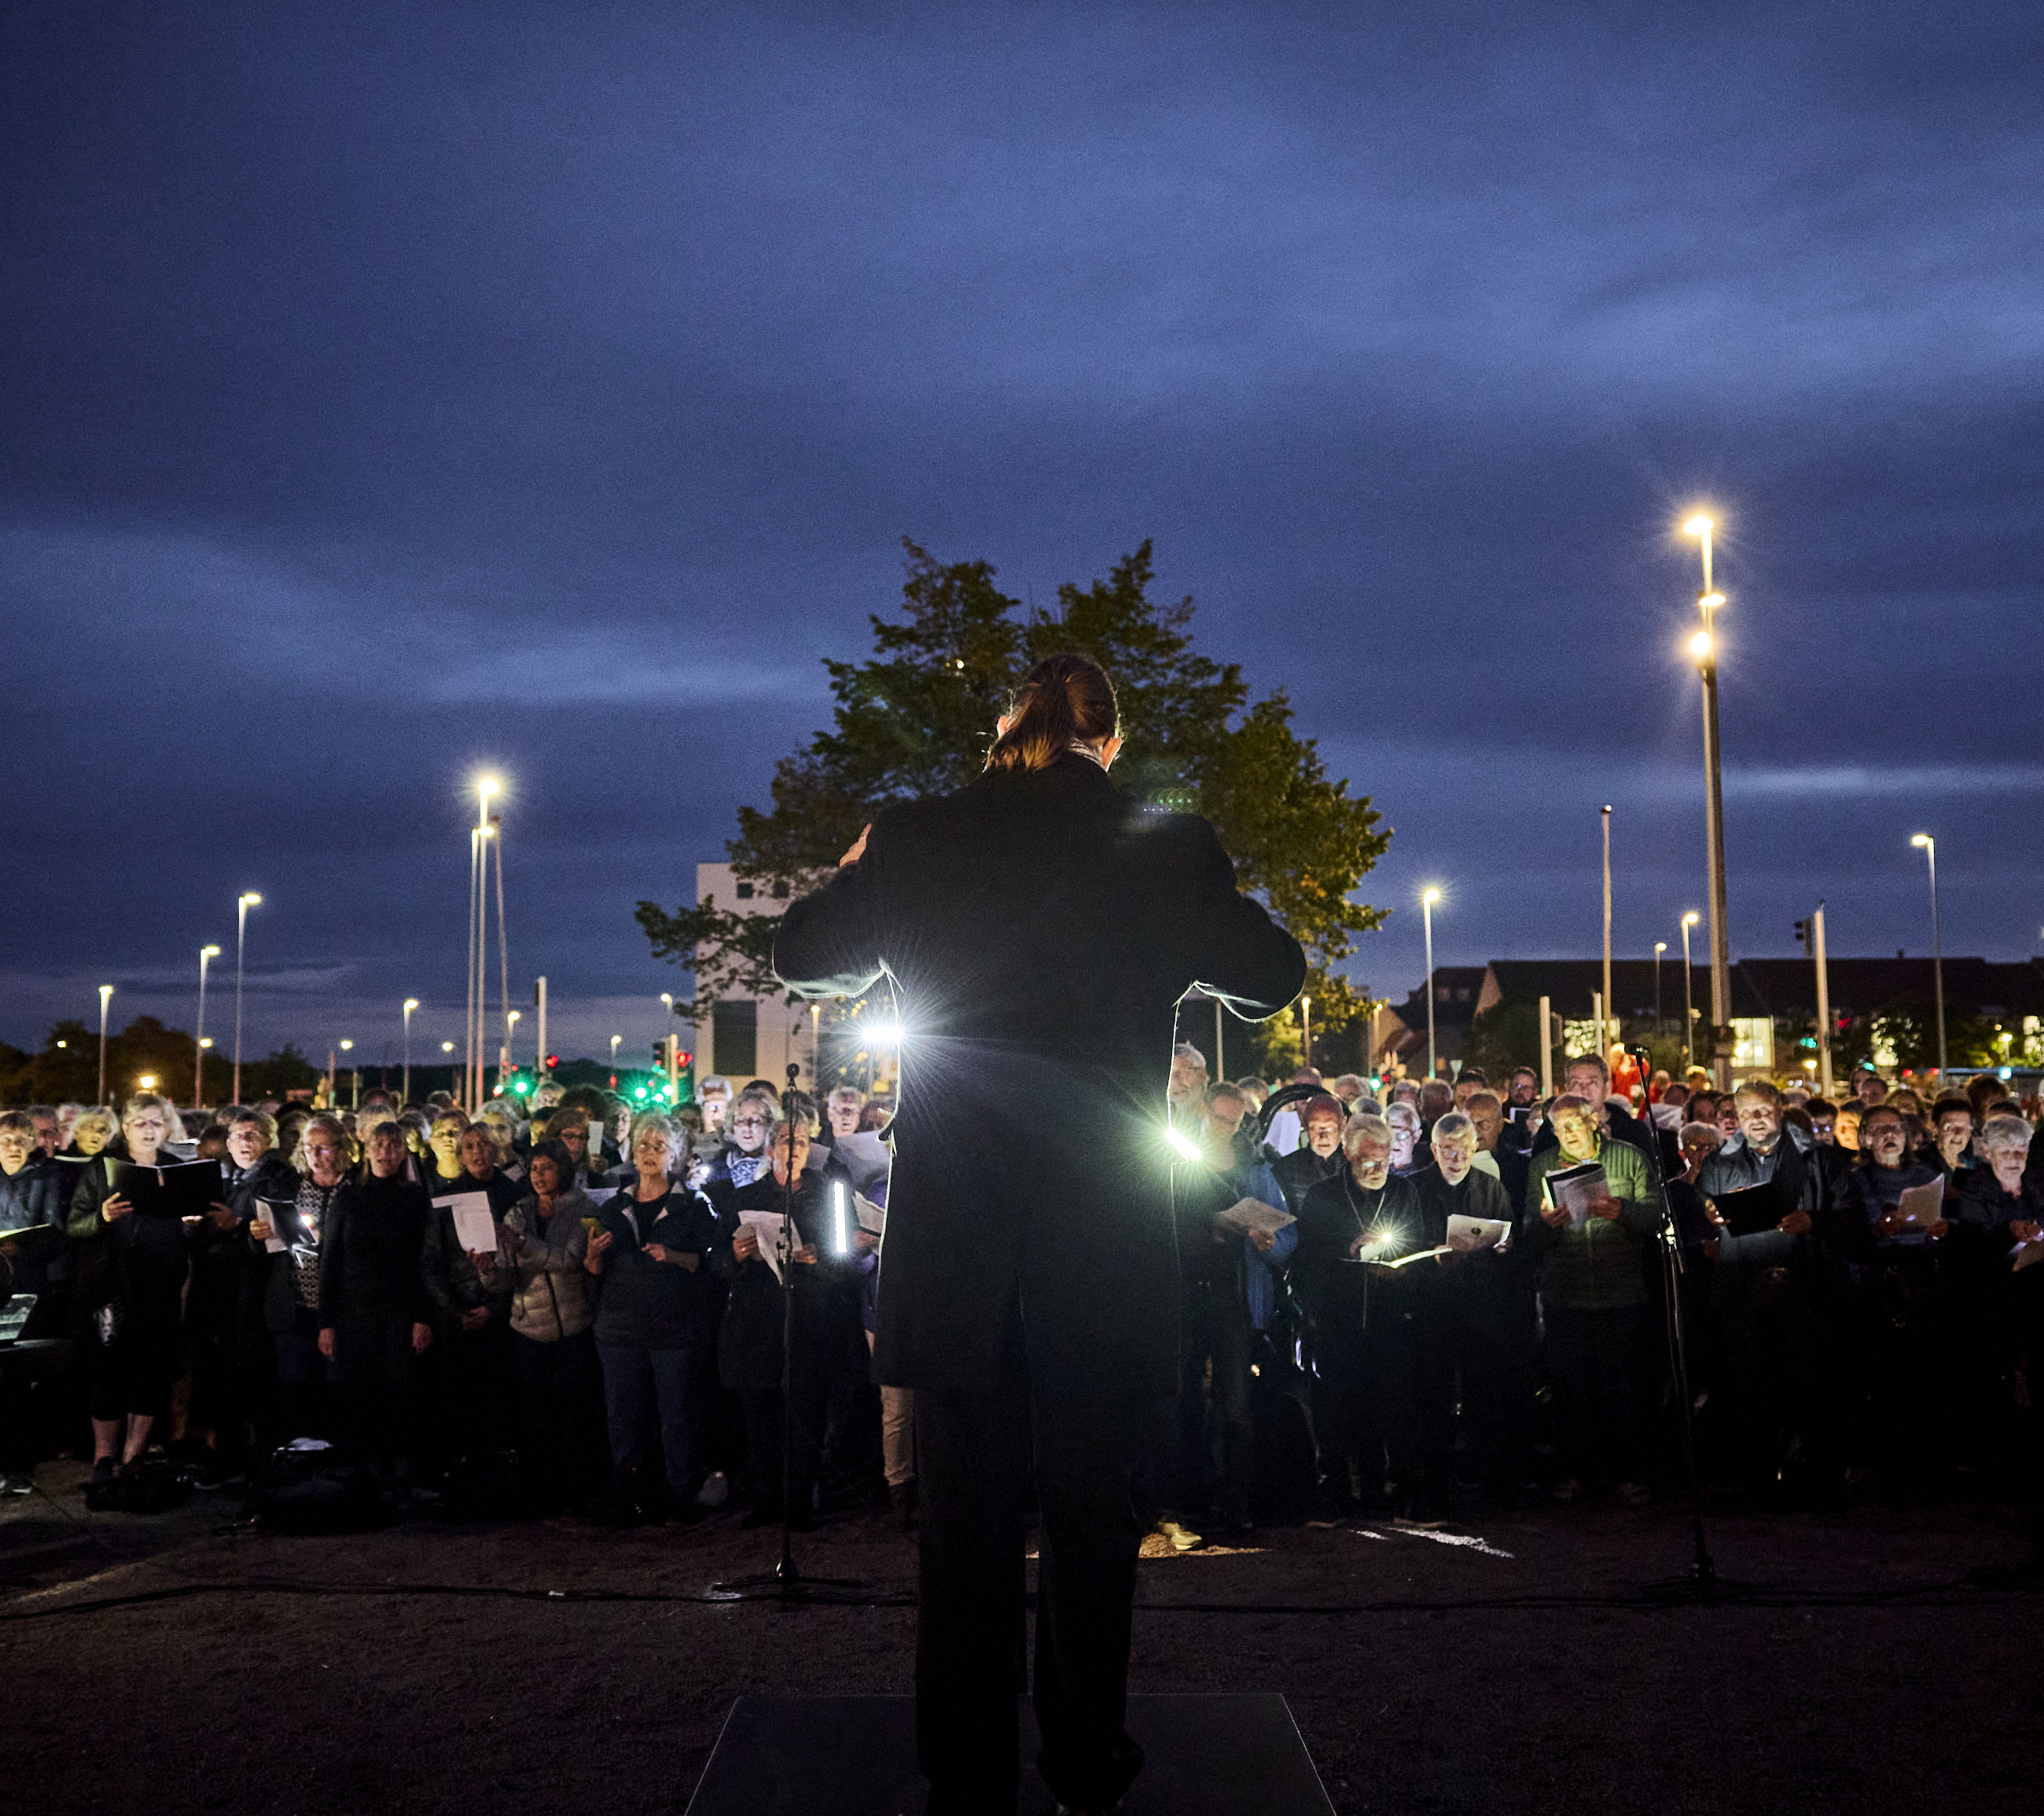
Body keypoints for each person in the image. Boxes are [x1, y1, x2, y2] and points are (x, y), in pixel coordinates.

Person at [773, 650, 1304, 1816]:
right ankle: (1083, 1765)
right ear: (1106, 745)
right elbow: (1273, 975)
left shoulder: (916, 835)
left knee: (961, 1527)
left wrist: (859, 861)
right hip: (1098, 1238)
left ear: (1006, 732)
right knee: (1091, 1518)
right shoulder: (1165, 845)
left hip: (960, 1237)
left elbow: (799, 955)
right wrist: (1203, 900)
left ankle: (967, 1775)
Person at [711, 1116, 869, 1530]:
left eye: (801, 1140)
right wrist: (737, 1254)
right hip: (758, 1323)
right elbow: (716, 1263)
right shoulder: (747, 1197)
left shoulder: (829, 1196)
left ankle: (799, 1503)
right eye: (784, 1139)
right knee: (761, 1417)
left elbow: (850, 1259)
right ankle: (767, 1500)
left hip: (811, 1319)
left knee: (805, 1415)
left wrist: (821, 1256)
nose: (793, 1146)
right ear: (770, 1150)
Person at [586, 1114, 726, 1522]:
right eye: (642, 1145)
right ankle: (629, 1491)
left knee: (677, 1416)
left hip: (674, 1330)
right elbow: (596, 1271)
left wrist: (676, 1257)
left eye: (658, 1146)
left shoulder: (693, 1205)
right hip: (619, 1329)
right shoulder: (615, 1206)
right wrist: (593, 1256)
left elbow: (713, 1265)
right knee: (623, 1417)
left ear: (676, 1154)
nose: (648, 1153)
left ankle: (681, 1493)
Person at [1524, 1094, 1659, 1502]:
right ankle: (1575, 1473)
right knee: (1570, 1390)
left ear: (1593, 1121)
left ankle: (1624, 1474)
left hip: (1620, 1291)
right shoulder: (1543, 1165)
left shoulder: (1630, 1158)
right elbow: (1529, 1229)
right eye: (1558, 1128)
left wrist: (1624, 1212)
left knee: (1620, 1388)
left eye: (1573, 1125)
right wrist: (1546, 1224)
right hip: (1566, 1293)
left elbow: (1656, 1216)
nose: (1566, 1134)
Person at [1294, 1114, 1424, 1513]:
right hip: (1339, 1321)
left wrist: (1400, 1266)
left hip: (1389, 1321)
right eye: (1367, 1161)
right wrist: (1349, 1251)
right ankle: (1334, 1491)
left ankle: (1377, 1490)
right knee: (1336, 1411)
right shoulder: (1322, 1196)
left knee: (1387, 1409)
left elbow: (1418, 1245)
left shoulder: (1404, 1192)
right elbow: (1308, 1257)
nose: (1376, 1169)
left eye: (1383, 1161)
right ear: (1348, 1154)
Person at [65, 1093, 191, 1483]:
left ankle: (134, 1455)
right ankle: (104, 1456)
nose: (149, 1130)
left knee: (152, 1371)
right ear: (127, 1128)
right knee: (108, 1372)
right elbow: (74, 1224)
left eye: (156, 1122)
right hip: (111, 1285)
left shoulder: (175, 1169)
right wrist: (101, 1216)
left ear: (167, 1128)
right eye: (141, 1123)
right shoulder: (103, 1168)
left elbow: (188, 1229)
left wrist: (192, 1223)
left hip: (161, 1284)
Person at [1418, 1111, 1528, 1509]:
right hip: (1434, 1309)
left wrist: (1504, 1245)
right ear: (1434, 1150)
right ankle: (1437, 1486)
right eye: (1448, 1150)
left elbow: (1509, 1232)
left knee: (1485, 1396)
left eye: (1464, 1149)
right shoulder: (1416, 1188)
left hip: (1481, 1308)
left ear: (1475, 1147)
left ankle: (1490, 1484)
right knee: (1436, 1399)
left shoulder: (1489, 1186)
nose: (1456, 1158)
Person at [318, 1122, 433, 1480]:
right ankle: (363, 1475)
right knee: (359, 1393)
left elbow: (425, 1262)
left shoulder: (415, 1198)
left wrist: (422, 1316)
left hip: (400, 1311)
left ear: (403, 1152)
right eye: (379, 1144)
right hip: (354, 1312)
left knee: (400, 1392)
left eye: (394, 1145)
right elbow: (330, 1260)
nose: (386, 1151)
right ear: (365, 1150)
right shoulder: (348, 1198)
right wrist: (326, 1322)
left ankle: (399, 1474)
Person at [499, 1138, 603, 1510]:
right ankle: (542, 1492)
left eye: (547, 1167)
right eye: (533, 1168)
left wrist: (523, 1246)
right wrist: (489, 1267)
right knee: (536, 1416)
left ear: (563, 1168)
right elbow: (504, 1276)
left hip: (573, 1327)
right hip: (528, 1327)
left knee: (575, 1414)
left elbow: (570, 1259)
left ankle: (579, 1491)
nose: (539, 1175)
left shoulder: (585, 1210)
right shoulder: (519, 1210)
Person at [0, 1112, 67, 1492]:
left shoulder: (48, 1178)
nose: (12, 1148)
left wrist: (21, 1247)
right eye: (5, 1140)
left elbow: (56, 1234)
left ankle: (19, 1467)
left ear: (32, 1142)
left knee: (18, 1377)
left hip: (26, 1286)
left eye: (20, 1141)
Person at [1270, 1093, 1345, 1217]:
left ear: (1342, 1124)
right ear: (1304, 1124)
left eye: (1330, 1128)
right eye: (1315, 1128)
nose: (1323, 1137)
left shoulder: (1355, 1165)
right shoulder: (1286, 1168)